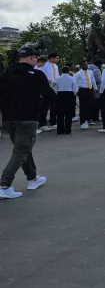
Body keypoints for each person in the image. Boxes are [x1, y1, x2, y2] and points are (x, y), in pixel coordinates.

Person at [0, 45, 52, 199]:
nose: (37, 61)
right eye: (36, 58)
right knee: (21, 150)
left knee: (23, 149)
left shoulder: (5, 73)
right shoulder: (36, 75)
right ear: (31, 57)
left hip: (9, 118)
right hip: (27, 117)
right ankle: (4, 184)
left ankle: (33, 178)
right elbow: (49, 94)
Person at [38, 52, 61, 132]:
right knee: (45, 105)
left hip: (55, 86)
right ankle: (42, 124)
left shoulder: (55, 66)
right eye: (56, 58)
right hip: (48, 86)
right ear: (51, 58)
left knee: (54, 105)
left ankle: (53, 122)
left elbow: (57, 75)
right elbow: (43, 76)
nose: (58, 60)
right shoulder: (45, 66)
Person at [54, 66, 78, 135]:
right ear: (68, 71)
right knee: (68, 113)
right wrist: (74, 94)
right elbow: (75, 88)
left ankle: (60, 130)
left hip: (60, 94)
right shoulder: (72, 78)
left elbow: (56, 89)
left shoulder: (57, 79)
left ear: (62, 71)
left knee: (60, 114)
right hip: (69, 94)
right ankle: (68, 130)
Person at [74, 61, 98, 130]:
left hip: (90, 89)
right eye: (84, 64)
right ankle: (83, 122)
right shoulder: (78, 74)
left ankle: (87, 119)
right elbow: (74, 82)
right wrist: (76, 90)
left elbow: (93, 80)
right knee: (83, 106)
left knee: (90, 105)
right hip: (82, 90)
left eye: (87, 64)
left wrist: (95, 88)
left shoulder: (90, 72)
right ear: (81, 65)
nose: (86, 66)